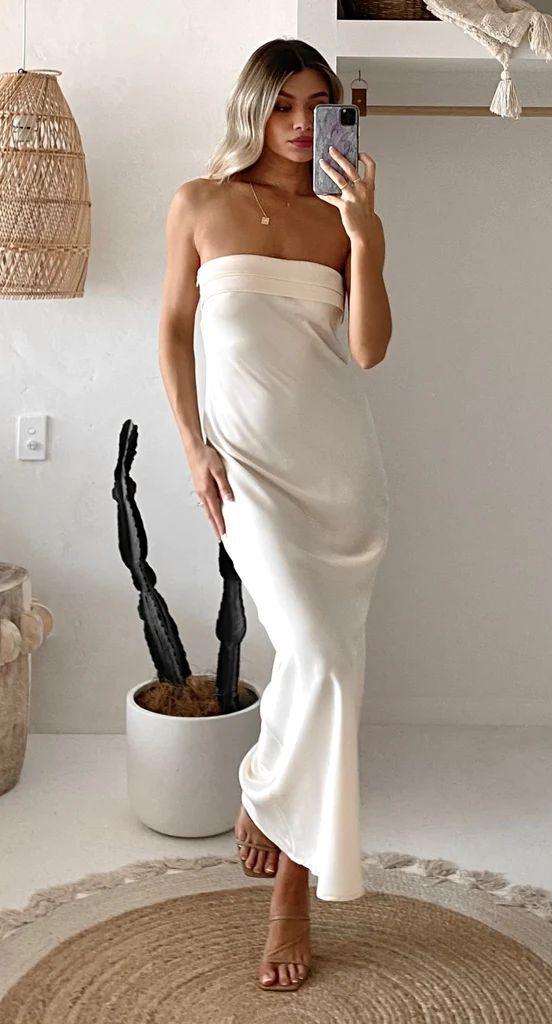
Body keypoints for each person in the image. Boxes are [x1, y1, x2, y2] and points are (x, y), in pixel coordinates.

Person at [158, 36, 392, 992]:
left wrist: (366, 236)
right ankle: (268, 796)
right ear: (254, 107)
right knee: (319, 658)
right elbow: (174, 329)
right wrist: (192, 447)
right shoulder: (200, 203)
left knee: (328, 667)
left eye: (317, 106)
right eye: (284, 105)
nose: (300, 125)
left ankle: (290, 881)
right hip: (247, 472)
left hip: (341, 474)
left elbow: (368, 351)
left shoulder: (341, 219)